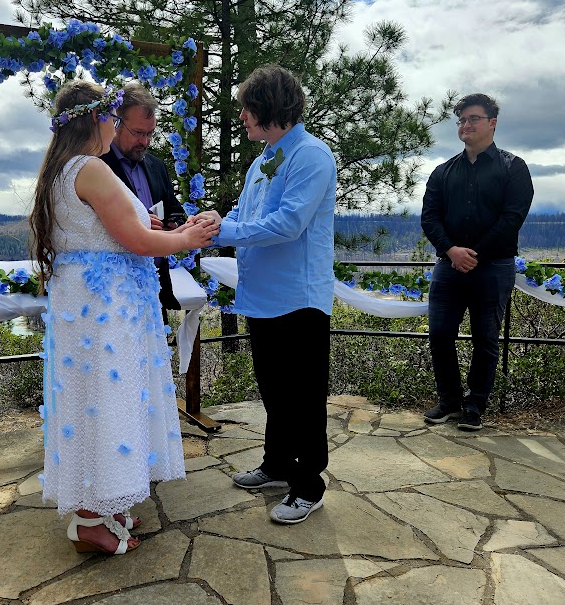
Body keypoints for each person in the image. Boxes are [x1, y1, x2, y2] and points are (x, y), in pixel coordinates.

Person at [29, 80, 216, 554]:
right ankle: (90, 522)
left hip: (87, 305)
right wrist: (188, 239)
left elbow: (106, 231)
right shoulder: (91, 168)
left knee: (93, 401)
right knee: (108, 400)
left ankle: (102, 503)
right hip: (106, 310)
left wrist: (151, 225)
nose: (115, 127)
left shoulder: (60, 170)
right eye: (113, 118)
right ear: (98, 119)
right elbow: (136, 242)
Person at [195, 65, 336, 525]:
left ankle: (309, 485)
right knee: (274, 390)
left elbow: (289, 224)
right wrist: (217, 220)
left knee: (303, 397)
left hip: (298, 298)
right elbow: (244, 211)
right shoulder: (264, 159)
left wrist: (224, 232)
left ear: (270, 108)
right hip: (262, 296)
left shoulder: (311, 156)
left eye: (247, 109)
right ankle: (276, 464)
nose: (241, 117)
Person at [420, 93, 534, 431]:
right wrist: (452, 251)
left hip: (494, 266)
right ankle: (449, 401)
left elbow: (512, 218)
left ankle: (475, 406)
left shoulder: (513, 168)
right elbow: (429, 218)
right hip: (449, 265)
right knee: (440, 334)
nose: (465, 125)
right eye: (461, 120)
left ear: (492, 123)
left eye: (473, 119)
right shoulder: (443, 172)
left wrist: (474, 254)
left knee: (485, 338)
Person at [101, 82, 187, 312]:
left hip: (156, 291)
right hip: (116, 293)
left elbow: (174, 209)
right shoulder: (98, 165)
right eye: (138, 133)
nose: (145, 142)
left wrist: (174, 222)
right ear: (116, 123)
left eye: (150, 133)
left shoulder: (156, 166)